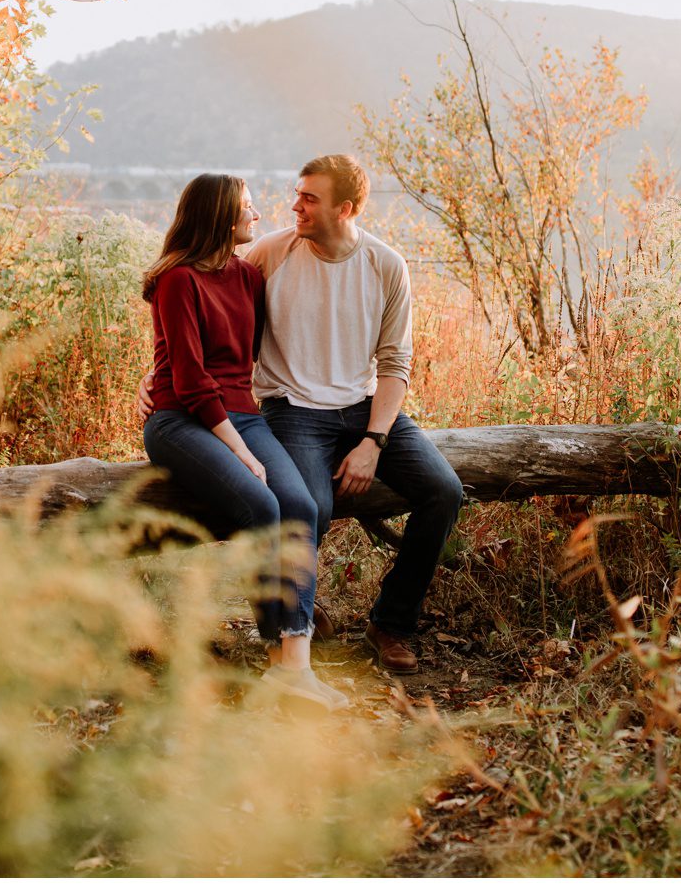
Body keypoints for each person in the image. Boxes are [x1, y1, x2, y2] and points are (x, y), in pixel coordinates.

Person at [141, 155, 465, 675]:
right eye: (297, 194)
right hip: (292, 410)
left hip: (365, 410)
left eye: (309, 198)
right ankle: (293, 618)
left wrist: (373, 441)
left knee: (444, 490)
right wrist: (156, 378)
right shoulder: (270, 253)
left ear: (347, 208)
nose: (294, 206)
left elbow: (395, 364)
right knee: (307, 504)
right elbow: (197, 328)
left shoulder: (386, 265)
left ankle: (392, 622)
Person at [140, 173, 347, 711]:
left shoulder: (246, 277)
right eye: (248, 209)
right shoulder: (177, 280)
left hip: (242, 415)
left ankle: (292, 667)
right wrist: (241, 450)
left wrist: (249, 435)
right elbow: (189, 381)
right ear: (221, 218)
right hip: (180, 420)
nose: (258, 216)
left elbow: (245, 364)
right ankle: (280, 653)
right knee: (260, 505)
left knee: (298, 505)